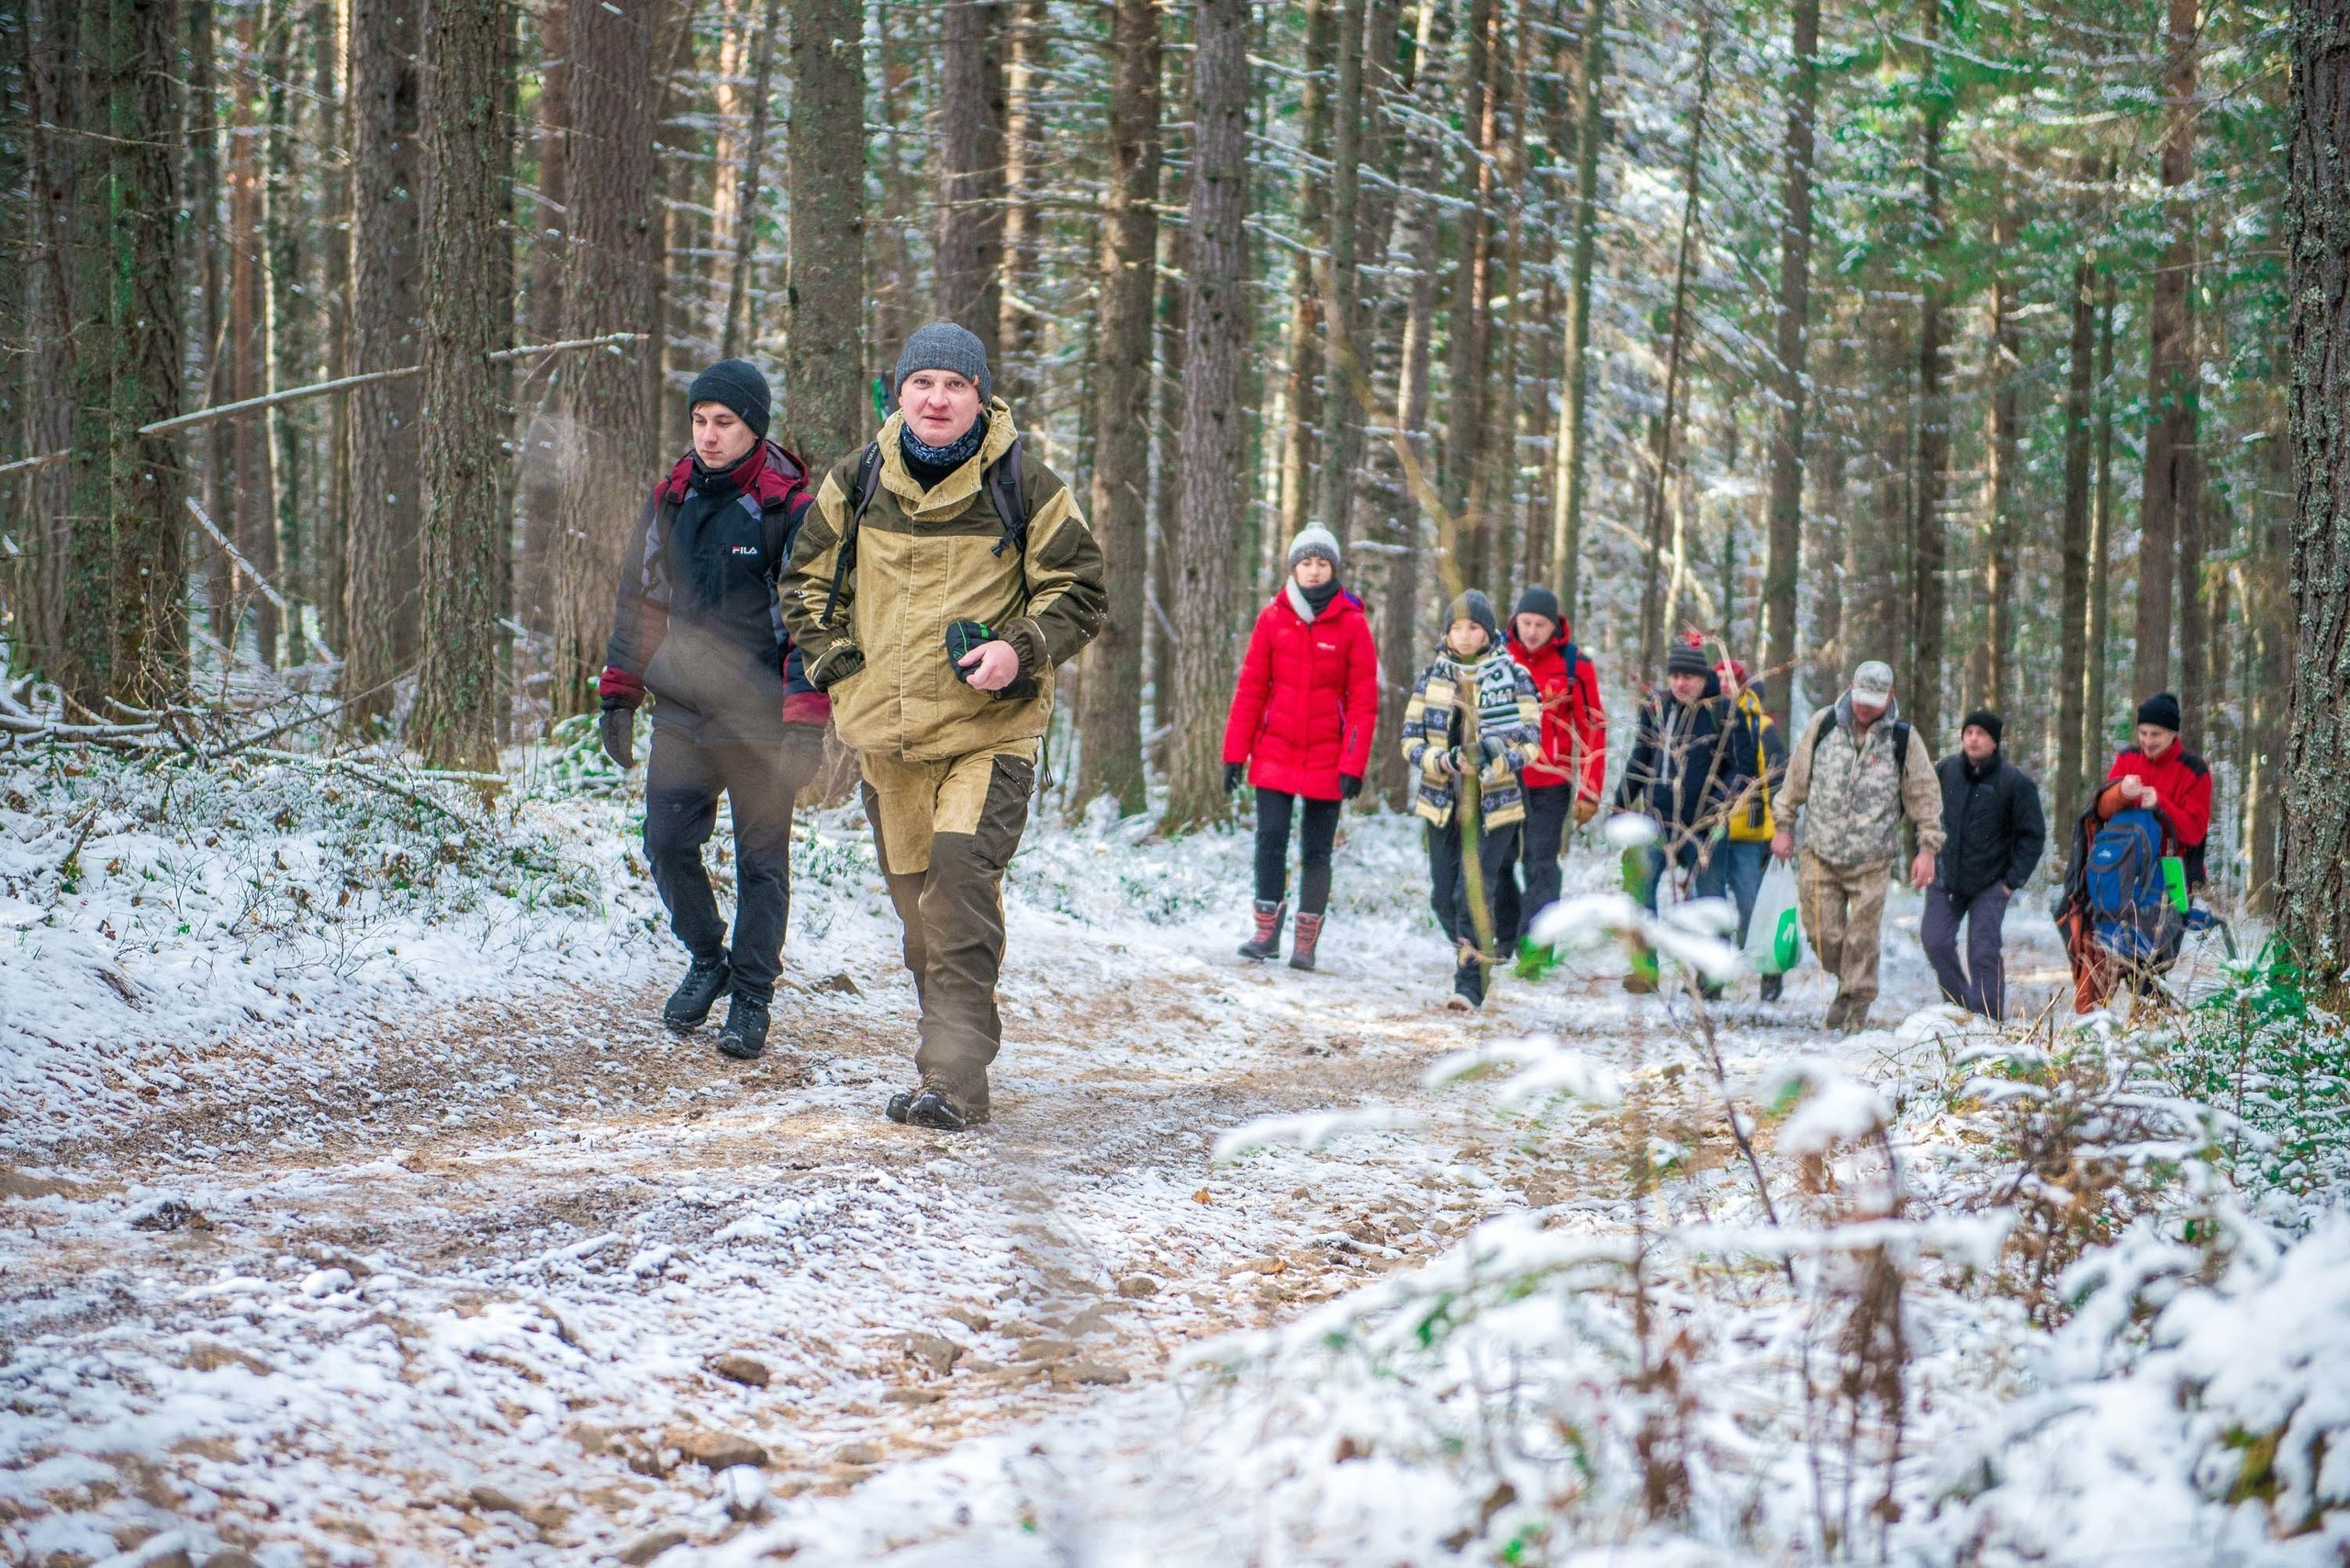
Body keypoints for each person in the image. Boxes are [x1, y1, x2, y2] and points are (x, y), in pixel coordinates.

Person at [780, 323, 1107, 1130]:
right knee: (920, 915)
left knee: (958, 892)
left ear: (979, 396)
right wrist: (833, 661)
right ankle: (949, 1072)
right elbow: (805, 579)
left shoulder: (1024, 482)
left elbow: (1079, 590)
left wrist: (1019, 648)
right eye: (922, 382)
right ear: (900, 392)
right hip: (886, 740)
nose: (936, 398)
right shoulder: (858, 479)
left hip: (988, 734)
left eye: (954, 385)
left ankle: (952, 1080)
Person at [598, 358, 827, 1062]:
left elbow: (807, 621)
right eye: (700, 421)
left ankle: (752, 995)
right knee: (666, 843)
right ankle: (708, 958)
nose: (709, 435)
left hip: (761, 716)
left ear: (753, 427)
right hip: (685, 709)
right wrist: (620, 692)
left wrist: (806, 719)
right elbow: (642, 599)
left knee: (762, 862)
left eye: (724, 422)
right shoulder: (672, 496)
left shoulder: (788, 504)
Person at [1222, 524, 1379, 971]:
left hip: (1329, 757)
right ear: (1294, 568)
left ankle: (1306, 943)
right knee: (1269, 840)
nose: (1313, 571)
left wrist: (1354, 762)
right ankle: (1266, 933)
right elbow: (1250, 688)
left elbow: (1364, 701)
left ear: (1334, 569)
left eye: (1322, 563)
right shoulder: (1272, 617)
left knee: (1317, 850)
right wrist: (1234, 755)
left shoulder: (1352, 624)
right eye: (1306, 563)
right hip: (1275, 751)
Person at [1770, 660, 1945, 1033]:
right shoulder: (1824, 725)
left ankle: (1855, 1006)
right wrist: (1783, 826)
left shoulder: (1903, 739)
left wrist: (1927, 850)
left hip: (1872, 859)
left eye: (1874, 701)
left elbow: (1924, 797)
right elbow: (1795, 779)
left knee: (1862, 938)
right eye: (1861, 698)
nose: (1865, 707)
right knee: (1824, 934)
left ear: (1890, 697)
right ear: (1851, 688)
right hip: (1819, 852)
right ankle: (1846, 984)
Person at [1401, 590, 1539, 1010]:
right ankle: (1478, 946)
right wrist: (1440, 760)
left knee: (1472, 891)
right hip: (1442, 800)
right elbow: (1409, 740)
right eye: (1456, 627)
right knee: (1443, 896)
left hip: (1496, 804)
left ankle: (1469, 983)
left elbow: (1531, 741)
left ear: (1489, 632)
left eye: (1473, 627)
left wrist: (1493, 763)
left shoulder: (1513, 676)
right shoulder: (1432, 677)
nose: (1464, 636)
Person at [2057, 691, 2210, 1013]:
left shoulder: (2194, 770)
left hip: (2175, 875)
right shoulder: (2127, 759)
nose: (2148, 741)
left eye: (2156, 734)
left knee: (2155, 962)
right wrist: (2120, 794)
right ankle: (2092, 1025)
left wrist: (2163, 805)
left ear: (2173, 733)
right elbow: (2099, 811)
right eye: (2143, 733)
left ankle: (2153, 1022)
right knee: (2100, 948)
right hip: (2121, 871)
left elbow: (2195, 831)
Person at [1499, 586, 1606, 947]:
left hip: (1551, 782)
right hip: (1501, 777)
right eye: (1526, 623)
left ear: (1554, 626)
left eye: (1540, 625)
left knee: (1540, 862)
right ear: (1515, 622)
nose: (1531, 631)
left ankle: (1536, 946)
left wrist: (1590, 790)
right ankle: (1506, 932)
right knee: (1498, 861)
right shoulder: (1497, 657)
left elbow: (1592, 728)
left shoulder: (1575, 665)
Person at [1922, 709, 2045, 1020]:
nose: (1974, 739)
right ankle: (1960, 1009)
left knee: (1983, 952)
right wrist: (1925, 853)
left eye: (1981, 734)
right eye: (1969, 733)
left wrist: (2010, 881)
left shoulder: (2014, 783)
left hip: (1990, 883)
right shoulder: (1946, 771)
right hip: (1946, 875)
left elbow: (2033, 836)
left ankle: (1988, 1021)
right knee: (1934, 940)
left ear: (1995, 742)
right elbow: (1925, 814)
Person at [1611, 638, 1733, 925]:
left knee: (1711, 899)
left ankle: (1712, 968)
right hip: (1657, 818)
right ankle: (1645, 966)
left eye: (1688, 677)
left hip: (1705, 824)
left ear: (1703, 679)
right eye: (1675, 677)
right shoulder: (1657, 709)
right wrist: (1621, 804)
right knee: (1639, 888)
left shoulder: (1722, 712)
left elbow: (1739, 768)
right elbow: (1639, 760)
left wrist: (1718, 805)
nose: (1680, 684)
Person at [1705, 657, 1788, 999]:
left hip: (1750, 834)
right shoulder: (1703, 719)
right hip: (1710, 832)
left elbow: (1775, 782)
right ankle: (1711, 976)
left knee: (1752, 906)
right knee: (1709, 907)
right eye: (1718, 678)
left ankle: (1769, 974)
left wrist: (1777, 830)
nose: (1724, 684)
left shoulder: (1762, 727)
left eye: (1730, 679)